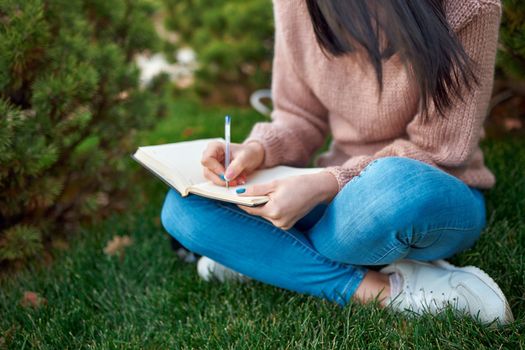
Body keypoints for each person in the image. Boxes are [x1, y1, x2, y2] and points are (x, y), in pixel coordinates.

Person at [161, 0, 513, 324]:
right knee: (183, 207)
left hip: (424, 187)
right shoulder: (297, 4)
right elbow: (298, 117)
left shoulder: (469, 6)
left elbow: (439, 151)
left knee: (386, 191)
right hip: (333, 194)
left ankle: (261, 254)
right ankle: (384, 292)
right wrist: (257, 150)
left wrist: (327, 182)